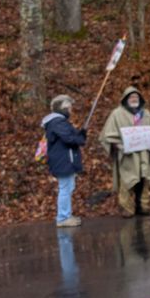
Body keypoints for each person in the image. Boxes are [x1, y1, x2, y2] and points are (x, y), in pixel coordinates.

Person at [99, 85, 150, 217]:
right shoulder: (117, 114)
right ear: (126, 98)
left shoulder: (145, 114)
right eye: (131, 97)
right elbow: (107, 135)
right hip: (128, 154)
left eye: (136, 96)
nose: (134, 99)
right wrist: (119, 146)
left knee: (144, 178)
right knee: (128, 180)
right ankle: (127, 208)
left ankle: (143, 206)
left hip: (143, 153)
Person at [41, 94, 87, 228]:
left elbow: (71, 136)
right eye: (69, 107)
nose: (71, 110)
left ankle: (66, 215)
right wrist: (80, 139)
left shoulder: (59, 122)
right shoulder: (57, 122)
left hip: (65, 160)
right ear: (63, 108)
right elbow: (69, 139)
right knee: (65, 188)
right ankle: (62, 218)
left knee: (68, 187)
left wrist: (81, 133)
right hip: (63, 160)